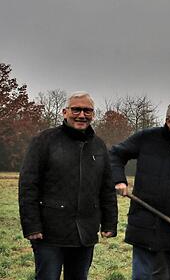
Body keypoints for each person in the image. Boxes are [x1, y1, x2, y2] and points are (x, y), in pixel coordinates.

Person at [18, 91, 118, 280]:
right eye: (76, 109)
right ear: (65, 112)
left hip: (85, 233)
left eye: (87, 110)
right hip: (49, 233)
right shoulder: (44, 140)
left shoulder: (99, 145)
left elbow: (106, 188)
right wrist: (32, 226)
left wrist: (109, 223)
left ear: (93, 114)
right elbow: (28, 186)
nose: (81, 115)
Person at [110, 100, 170, 280]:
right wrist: (119, 180)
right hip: (144, 224)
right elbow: (116, 154)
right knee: (142, 277)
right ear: (169, 120)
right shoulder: (147, 138)